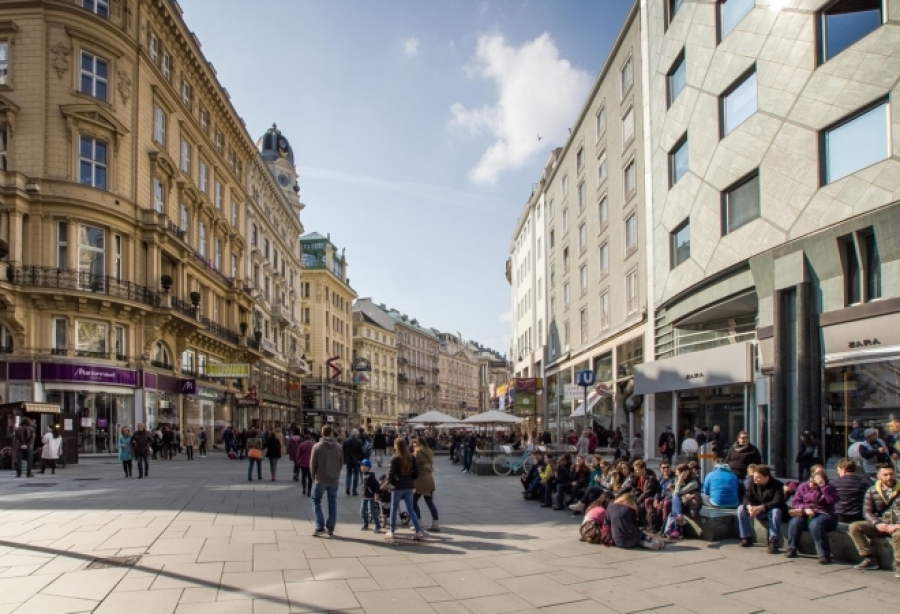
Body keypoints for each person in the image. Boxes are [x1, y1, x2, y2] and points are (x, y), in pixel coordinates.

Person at [850, 463, 900, 573]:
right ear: (878, 476)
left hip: (898, 525)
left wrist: (897, 525)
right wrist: (877, 523)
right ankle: (869, 558)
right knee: (855, 527)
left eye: (891, 474)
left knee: (899, 535)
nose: (889, 477)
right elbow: (867, 512)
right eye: (885, 475)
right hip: (882, 524)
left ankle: (898, 564)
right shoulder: (872, 490)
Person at [786, 467, 839, 563]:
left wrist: (823, 487)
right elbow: (796, 502)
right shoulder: (803, 487)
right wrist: (805, 509)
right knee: (795, 522)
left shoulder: (829, 487)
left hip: (825, 514)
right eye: (810, 482)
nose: (811, 485)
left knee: (815, 525)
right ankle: (792, 548)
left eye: (814, 484)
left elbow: (832, 501)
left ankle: (824, 554)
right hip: (806, 513)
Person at [737, 466, 786, 553]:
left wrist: (762, 507)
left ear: (766, 477)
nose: (755, 479)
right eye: (754, 477)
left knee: (776, 511)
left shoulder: (777, 485)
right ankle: (746, 537)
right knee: (741, 509)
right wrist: (749, 506)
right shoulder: (752, 483)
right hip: (755, 509)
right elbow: (746, 497)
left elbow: (777, 501)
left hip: (768, 509)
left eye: (758, 478)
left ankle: (773, 541)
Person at [386, 438, 424, 540]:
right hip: (409, 486)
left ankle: (392, 531)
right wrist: (410, 479)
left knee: (394, 508)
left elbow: (391, 474)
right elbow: (416, 472)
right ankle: (418, 531)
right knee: (411, 509)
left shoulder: (395, 458)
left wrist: (393, 483)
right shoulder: (411, 456)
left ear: (396, 446)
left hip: (398, 487)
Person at [311, 425, 343, 537]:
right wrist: (337, 474)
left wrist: (313, 477)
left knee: (316, 500)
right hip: (334, 479)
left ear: (322, 433)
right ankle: (330, 527)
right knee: (332, 503)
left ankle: (320, 526)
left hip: (320, 478)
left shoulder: (317, 446)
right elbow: (341, 463)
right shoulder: (338, 447)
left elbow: (312, 463)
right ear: (331, 433)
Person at [664, 463, 700, 537]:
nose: (677, 475)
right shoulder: (678, 479)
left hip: (689, 503)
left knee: (674, 499)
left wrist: (680, 480)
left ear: (685, 472)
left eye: (678, 473)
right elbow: (674, 491)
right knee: (674, 504)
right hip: (680, 502)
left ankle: (676, 530)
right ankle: (678, 524)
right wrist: (679, 481)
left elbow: (677, 492)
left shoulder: (693, 482)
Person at [412, 436, 440, 532]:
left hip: (420, 480)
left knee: (413, 502)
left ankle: (418, 523)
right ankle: (436, 524)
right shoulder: (430, 451)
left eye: (415, 442)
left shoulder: (417, 453)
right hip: (429, 478)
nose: (414, 444)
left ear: (419, 443)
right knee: (430, 502)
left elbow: (412, 465)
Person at [834, 458, 868, 523]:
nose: (838, 472)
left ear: (843, 469)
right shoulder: (864, 484)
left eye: (838, 470)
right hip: (858, 516)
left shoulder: (834, 483)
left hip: (839, 516)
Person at [632, 459, 660, 531]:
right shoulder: (638, 477)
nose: (635, 472)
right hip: (640, 497)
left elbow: (647, 493)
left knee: (640, 507)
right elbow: (633, 487)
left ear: (643, 468)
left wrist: (636, 501)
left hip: (649, 497)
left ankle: (645, 525)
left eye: (637, 470)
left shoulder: (650, 478)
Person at [359, 459, 382, 533]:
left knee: (371, 511)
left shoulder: (371, 475)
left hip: (370, 497)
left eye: (364, 466)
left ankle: (378, 525)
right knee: (362, 511)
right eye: (361, 466)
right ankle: (365, 524)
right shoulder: (363, 474)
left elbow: (376, 484)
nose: (362, 467)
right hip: (364, 496)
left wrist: (376, 493)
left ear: (368, 467)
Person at [342, 429, 364, 495]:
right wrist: (361, 460)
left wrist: (344, 460)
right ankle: (354, 490)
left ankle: (347, 488)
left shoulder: (346, 441)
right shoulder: (359, 441)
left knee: (348, 474)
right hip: (356, 461)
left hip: (348, 460)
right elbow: (362, 452)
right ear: (356, 434)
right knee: (356, 475)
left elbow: (343, 451)